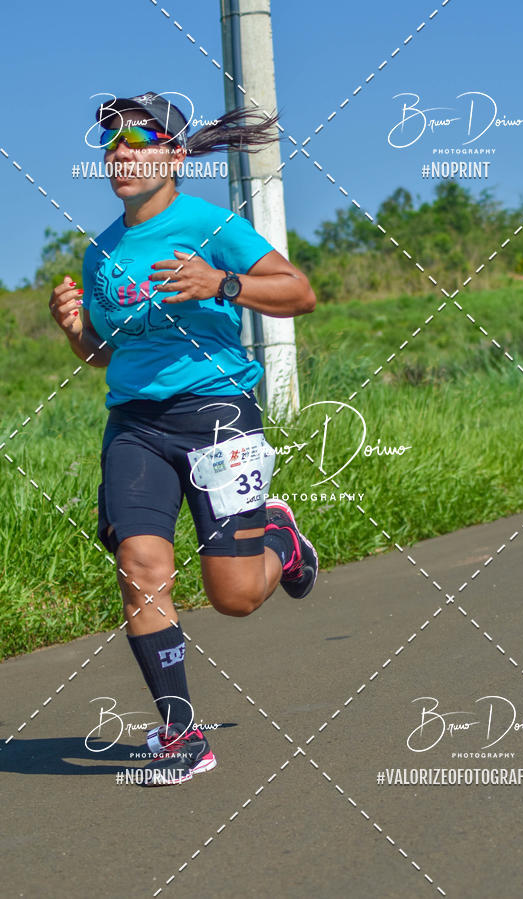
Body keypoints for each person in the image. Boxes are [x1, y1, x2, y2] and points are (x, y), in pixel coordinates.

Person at [48, 91, 318, 786]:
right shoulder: (101, 251)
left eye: (139, 140)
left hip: (218, 412)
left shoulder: (209, 224)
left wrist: (221, 281)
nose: (122, 154)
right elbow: (106, 354)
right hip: (136, 423)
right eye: (111, 143)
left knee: (233, 594)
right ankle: (181, 731)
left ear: (173, 154)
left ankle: (281, 541)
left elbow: (298, 291)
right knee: (140, 564)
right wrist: (76, 329)